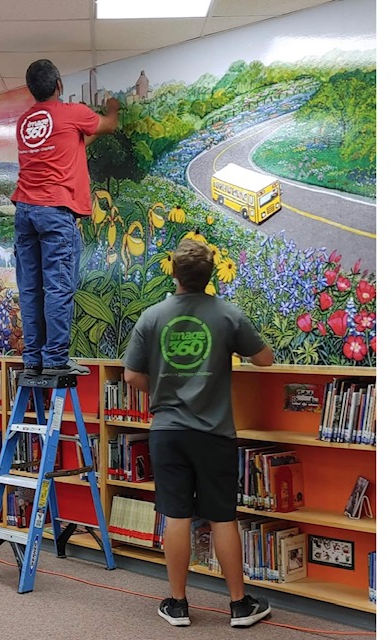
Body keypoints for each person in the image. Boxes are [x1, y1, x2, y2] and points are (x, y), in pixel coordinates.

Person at [122, 238, 275, 628]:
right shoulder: (228, 315)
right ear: (210, 276)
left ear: (174, 273)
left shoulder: (152, 317)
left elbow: (131, 376)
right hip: (214, 434)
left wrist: (160, 389)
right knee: (222, 518)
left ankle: (177, 604)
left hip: (167, 432)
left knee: (176, 516)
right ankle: (240, 606)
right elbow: (264, 359)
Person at [11, 59, 120, 377]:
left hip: (24, 212)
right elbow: (108, 125)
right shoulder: (73, 113)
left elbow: (73, 143)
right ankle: (56, 358)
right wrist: (112, 108)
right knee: (58, 287)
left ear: (32, 90)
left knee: (31, 288)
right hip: (55, 212)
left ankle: (34, 357)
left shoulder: (24, 122)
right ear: (60, 84)